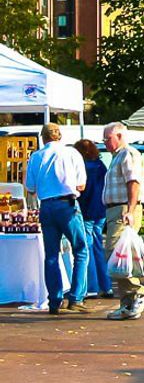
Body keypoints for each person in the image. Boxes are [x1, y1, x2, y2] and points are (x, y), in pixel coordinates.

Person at [24, 123, 89, 314]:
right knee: (80, 249)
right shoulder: (72, 154)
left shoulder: (36, 157)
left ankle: (54, 300)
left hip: (47, 206)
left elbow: (30, 187)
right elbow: (81, 185)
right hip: (67, 204)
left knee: (51, 255)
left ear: (43, 138)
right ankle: (76, 298)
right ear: (60, 136)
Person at [102, 122, 144, 320]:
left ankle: (139, 292)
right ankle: (128, 304)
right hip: (115, 209)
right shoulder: (116, 157)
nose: (105, 143)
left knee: (114, 254)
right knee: (120, 257)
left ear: (120, 136)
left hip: (123, 209)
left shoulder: (128, 154)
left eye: (107, 139)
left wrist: (130, 210)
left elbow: (134, 182)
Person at [74, 139, 112, 299]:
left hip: (87, 211)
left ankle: (92, 286)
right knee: (98, 247)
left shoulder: (84, 167)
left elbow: (81, 190)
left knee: (86, 248)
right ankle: (106, 285)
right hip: (101, 210)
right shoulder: (101, 166)